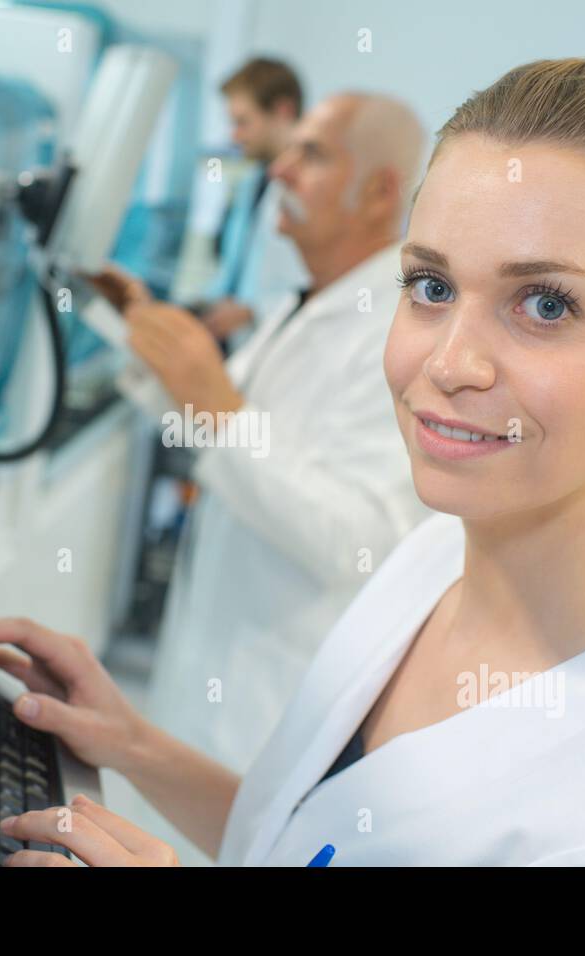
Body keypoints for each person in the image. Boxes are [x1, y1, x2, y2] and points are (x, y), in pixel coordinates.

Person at [0, 57, 585, 866]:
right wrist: (130, 744)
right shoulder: (438, 554)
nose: (448, 365)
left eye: (545, 304)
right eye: (432, 287)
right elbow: (302, 838)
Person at [100, 92, 429, 773]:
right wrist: (141, 333)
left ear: (379, 191)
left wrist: (219, 406)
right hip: (210, 670)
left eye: (311, 154)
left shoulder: (400, 337)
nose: (279, 170)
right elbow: (217, 438)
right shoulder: (299, 303)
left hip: (271, 709)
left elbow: (358, 542)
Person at [199, 57, 309, 346]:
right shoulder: (253, 181)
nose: (234, 136)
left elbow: (314, 285)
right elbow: (235, 266)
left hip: (278, 343)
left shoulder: (312, 191)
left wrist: (251, 312)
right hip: (236, 344)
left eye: (243, 122)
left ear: (283, 111)